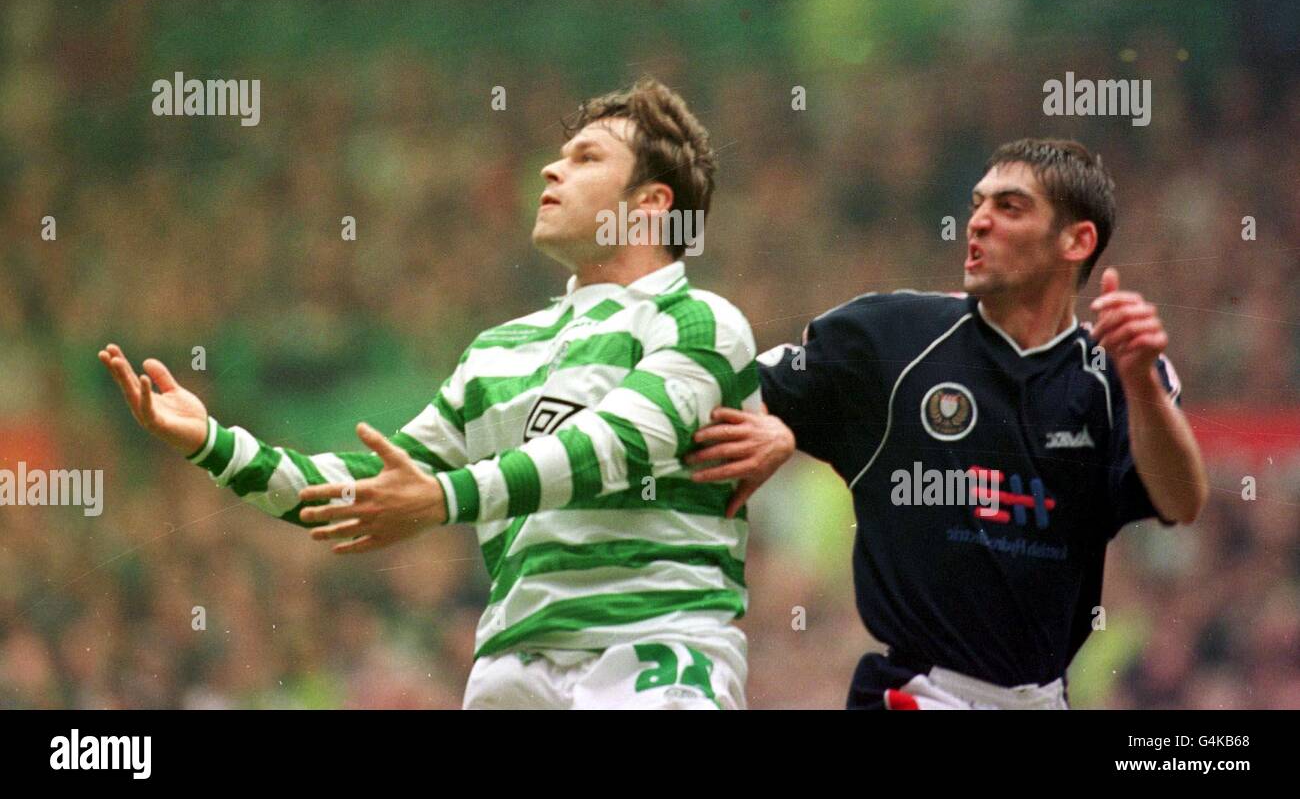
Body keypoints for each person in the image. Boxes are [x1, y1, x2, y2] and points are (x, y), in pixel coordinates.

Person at [99, 77, 761, 710]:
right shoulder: (498, 352)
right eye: (558, 156)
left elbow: (609, 451)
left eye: (586, 157)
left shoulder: (700, 322)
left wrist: (442, 500)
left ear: (650, 204)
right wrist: (214, 442)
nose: (550, 171)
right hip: (512, 671)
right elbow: (370, 485)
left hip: (654, 653)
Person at [689, 138, 1208, 709]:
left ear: (1076, 240)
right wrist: (777, 426)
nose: (978, 222)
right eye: (977, 204)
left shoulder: (1117, 374)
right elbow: (733, 391)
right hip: (919, 694)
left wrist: (1142, 386)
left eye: (1009, 208)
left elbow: (1181, 500)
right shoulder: (893, 337)